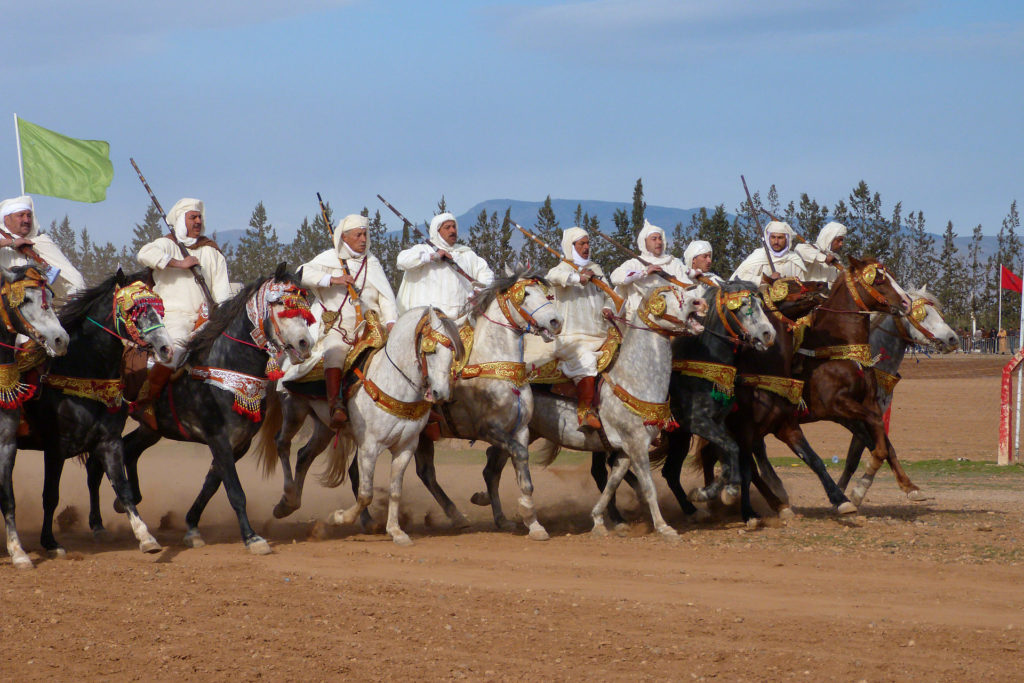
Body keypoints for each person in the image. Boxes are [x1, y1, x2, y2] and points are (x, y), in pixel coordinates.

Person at [300, 213, 398, 428]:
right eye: (358, 235)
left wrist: (391, 322)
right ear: (345, 238)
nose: (363, 239)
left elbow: (386, 297)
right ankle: (336, 405)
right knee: (334, 351)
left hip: (372, 326)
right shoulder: (329, 258)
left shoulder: (372, 262)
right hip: (340, 325)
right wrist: (333, 279)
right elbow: (301, 273)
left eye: (365, 234)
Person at [135, 198, 232, 406]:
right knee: (175, 346)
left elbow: (223, 295)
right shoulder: (166, 244)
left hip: (205, 320)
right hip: (172, 316)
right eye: (192, 217)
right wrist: (180, 263)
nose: (198, 221)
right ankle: (147, 403)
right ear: (180, 221)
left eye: (199, 217)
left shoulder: (211, 252)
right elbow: (144, 254)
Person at [547, 227, 611, 430]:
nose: (586, 247)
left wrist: (609, 307)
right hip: (571, 338)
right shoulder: (562, 270)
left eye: (588, 243)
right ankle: (585, 412)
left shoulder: (596, 269)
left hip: (600, 334)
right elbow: (552, 277)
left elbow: (609, 295)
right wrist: (578, 278)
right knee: (586, 359)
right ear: (570, 246)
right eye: (581, 244)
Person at [396, 212, 493, 324]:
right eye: (447, 227)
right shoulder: (424, 250)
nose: (452, 231)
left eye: (454, 227)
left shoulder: (466, 254)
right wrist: (431, 257)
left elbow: (486, 274)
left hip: (463, 319)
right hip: (430, 320)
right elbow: (402, 260)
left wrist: (479, 291)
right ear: (437, 232)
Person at [0, 195, 85, 298]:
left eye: (29, 215)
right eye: (21, 215)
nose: (26, 220)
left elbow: (73, 279)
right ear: (6, 219)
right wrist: (12, 242)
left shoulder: (41, 242)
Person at [611, 220, 687, 315]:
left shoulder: (674, 263)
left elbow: (686, 284)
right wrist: (643, 272)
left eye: (660, 239)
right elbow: (616, 277)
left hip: (672, 318)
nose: (659, 242)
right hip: (637, 320)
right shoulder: (634, 264)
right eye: (654, 239)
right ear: (644, 242)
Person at [730, 221, 808, 282]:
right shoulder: (758, 256)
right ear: (768, 238)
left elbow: (801, 284)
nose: (776, 241)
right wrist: (765, 279)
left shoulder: (794, 259)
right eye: (773, 237)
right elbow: (740, 277)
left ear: (787, 239)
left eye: (780, 238)